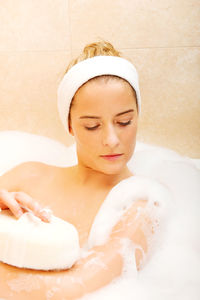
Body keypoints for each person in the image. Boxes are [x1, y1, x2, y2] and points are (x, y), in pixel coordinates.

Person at [0, 41, 159, 299]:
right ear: (70, 126)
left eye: (124, 121)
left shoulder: (140, 207)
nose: (111, 139)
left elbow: (73, 288)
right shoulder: (28, 176)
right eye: (92, 126)